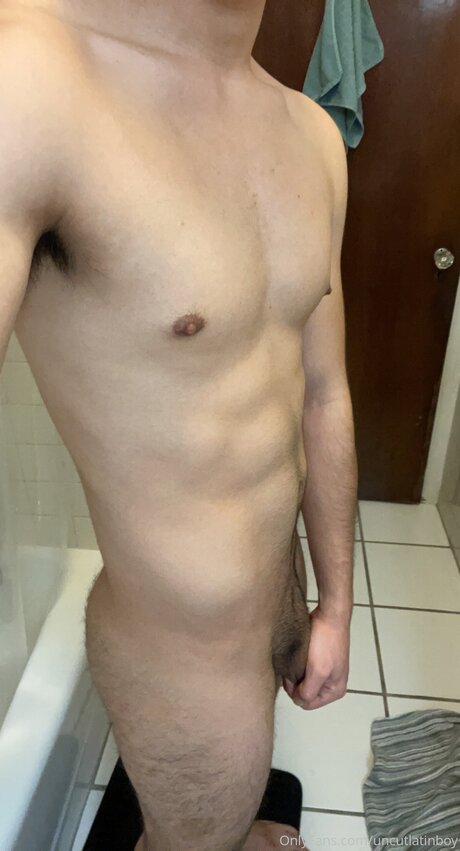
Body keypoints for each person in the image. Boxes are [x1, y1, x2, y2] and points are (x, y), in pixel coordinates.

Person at [0, 1, 358, 848]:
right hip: (182, 663)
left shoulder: (311, 135)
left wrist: (335, 606)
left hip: (278, 599)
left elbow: (323, 395)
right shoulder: (34, 80)